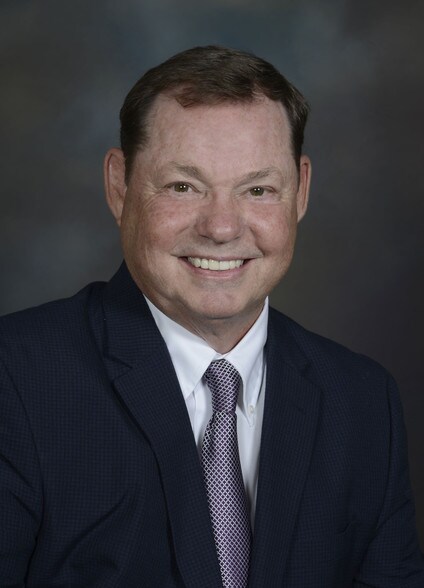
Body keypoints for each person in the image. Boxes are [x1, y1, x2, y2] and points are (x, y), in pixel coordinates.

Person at [0, 45, 423, 588]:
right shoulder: (16, 381)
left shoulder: (362, 403)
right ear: (119, 186)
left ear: (301, 191)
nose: (222, 227)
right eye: (184, 186)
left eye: (258, 190)